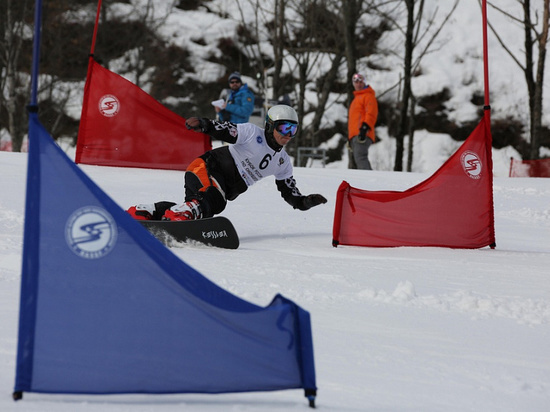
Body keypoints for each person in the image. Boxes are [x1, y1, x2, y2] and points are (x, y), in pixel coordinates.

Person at [127, 105, 327, 221]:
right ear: (270, 125)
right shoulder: (251, 133)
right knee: (215, 200)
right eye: (284, 128)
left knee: (201, 214)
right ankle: (181, 212)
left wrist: (305, 202)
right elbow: (225, 129)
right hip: (205, 168)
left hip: (218, 185)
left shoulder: (283, 162)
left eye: (293, 130)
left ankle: (147, 211)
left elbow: (290, 193)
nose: (288, 135)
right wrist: (204, 124)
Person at [348, 73, 378, 170]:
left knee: (360, 157)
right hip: (355, 135)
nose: (358, 84)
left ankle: (368, 180)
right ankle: (362, 180)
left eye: (360, 81)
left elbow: (371, 113)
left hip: (363, 133)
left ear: (364, 82)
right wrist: (350, 137)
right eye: (356, 82)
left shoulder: (368, 96)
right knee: (356, 160)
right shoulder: (356, 99)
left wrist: (365, 127)